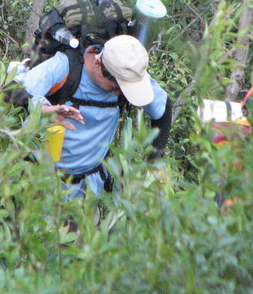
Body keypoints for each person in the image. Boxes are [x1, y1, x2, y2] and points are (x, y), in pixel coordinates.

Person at [19, 34, 172, 199]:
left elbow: (163, 107)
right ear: (98, 64)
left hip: (87, 188)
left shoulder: (129, 74)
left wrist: (154, 160)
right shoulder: (65, 66)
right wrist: (44, 110)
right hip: (38, 179)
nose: (119, 93)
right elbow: (12, 92)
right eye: (116, 87)